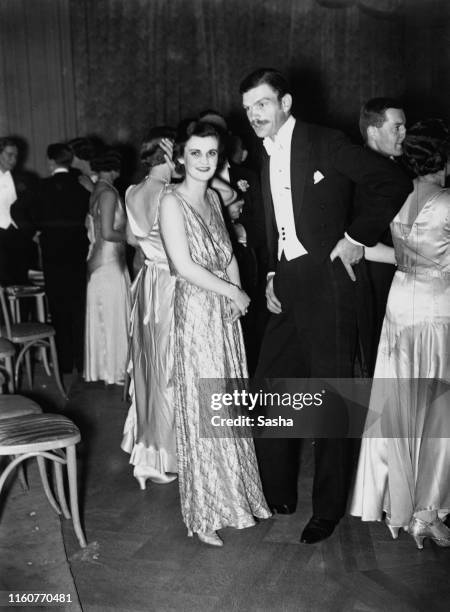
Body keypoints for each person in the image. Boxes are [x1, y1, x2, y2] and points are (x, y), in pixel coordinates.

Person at [239, 68, 412, 544]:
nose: (255, 113)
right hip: (288, 283)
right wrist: (273, 272)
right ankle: (278, 493)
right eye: (249, 105)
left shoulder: (324, 141)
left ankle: (328, 509)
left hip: (331, 286)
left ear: (286, 102)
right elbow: (273, 222)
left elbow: (389, 184)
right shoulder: (263, 152)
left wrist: (355, 237)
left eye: (263, 103)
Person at [159, 120, 271, 547]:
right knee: (205, 408)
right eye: (195, 153)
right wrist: (232, 292)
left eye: (211, 153)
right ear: (181, 158)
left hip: (223, 313)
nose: (204, 162)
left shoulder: (211, 197)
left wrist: (236, 296)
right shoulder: (172, 202)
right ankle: (203, 511)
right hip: (196, 312)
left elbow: (226, 255)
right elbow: (185, 266)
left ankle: (234, 497)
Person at [351, 119, 450, 549]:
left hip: (400, 300)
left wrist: (411, 261)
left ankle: (397, 501)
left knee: (398, 401)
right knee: (437, 407)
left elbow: (364, 246)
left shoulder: (392, 193)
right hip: (436, 307)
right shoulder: (446, 202)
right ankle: (427, 512)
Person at [121, 127, 178, 487]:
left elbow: (132, 239)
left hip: (147, 286)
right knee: (170, 369)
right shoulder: (169, 194)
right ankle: (167, 456)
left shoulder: (132, 191)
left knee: (149, 369)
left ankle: (148, 457)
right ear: (171, 155)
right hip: (171, 284)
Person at [357, 98, 411, 373]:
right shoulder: (365, 174)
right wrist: (412, 260)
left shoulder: (396, 168)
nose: (404, 134)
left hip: (396, 278)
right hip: (374, 280)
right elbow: (356, 243)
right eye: (397, 127)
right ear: (373, 131)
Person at [34, 143, 90, 375]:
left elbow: (18, 210)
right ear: (70, 161)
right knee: (78, 307)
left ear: (50, 161)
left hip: (52, 254)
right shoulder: (81, 187)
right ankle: (81, 361)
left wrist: (34, 232)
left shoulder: (41, 187)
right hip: (77, 252)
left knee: (58, 308)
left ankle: (64, 363)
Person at [84, 149, 130, 385]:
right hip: (109, 262)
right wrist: (134, 237)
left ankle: (107, 370)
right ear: (115, 169)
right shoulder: (109, 193)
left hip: (101, 261)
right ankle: (116, 371)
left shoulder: (97, 191)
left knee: (107, 316)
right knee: (113, 317)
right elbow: (109, 233)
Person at [0, 137, 36, 286]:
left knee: (20, 279)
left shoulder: (25, 179)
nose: (14, 159)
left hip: (18, 235)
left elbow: (31, 208)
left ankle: (22, 310)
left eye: (16, 156)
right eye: (9, 155)